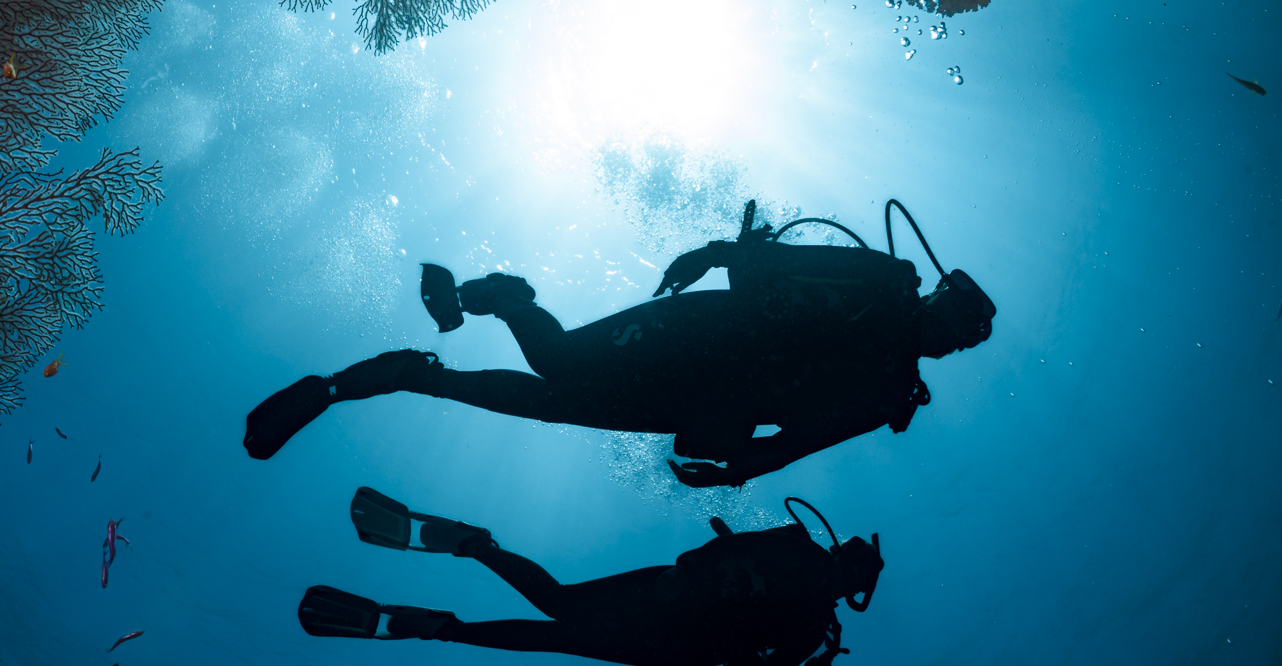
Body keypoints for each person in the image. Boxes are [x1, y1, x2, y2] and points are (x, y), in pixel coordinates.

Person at [244, 200, 996, 487]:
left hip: (715, 398)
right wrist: (714, 252)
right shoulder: (889, 280)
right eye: (960, 319)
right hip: (713, 328)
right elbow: (813, 264)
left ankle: (416, 376)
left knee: (555, 406)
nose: (954, 340)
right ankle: (504, 297)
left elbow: (813, 439)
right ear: (940, 292)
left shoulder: (896, 393)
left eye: (966, 341)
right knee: (562, 360)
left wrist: (744, 470)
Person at [299, 488, 884, 666]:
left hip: (668, 599)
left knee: (559, 609)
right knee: (560, 630)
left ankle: (475, 551)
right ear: (854, 590)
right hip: (676, 643)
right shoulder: (813, 624)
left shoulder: (795, 544)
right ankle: (445, 627)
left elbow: (711, 552)